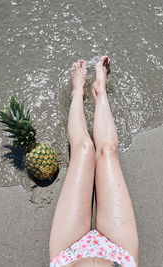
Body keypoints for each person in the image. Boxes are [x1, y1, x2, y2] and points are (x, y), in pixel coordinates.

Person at [49, 56, 139, 267]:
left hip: (68, 253)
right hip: (118, 254)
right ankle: (99, 90)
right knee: (107, 152)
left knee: (83, 150)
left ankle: (78, 91)